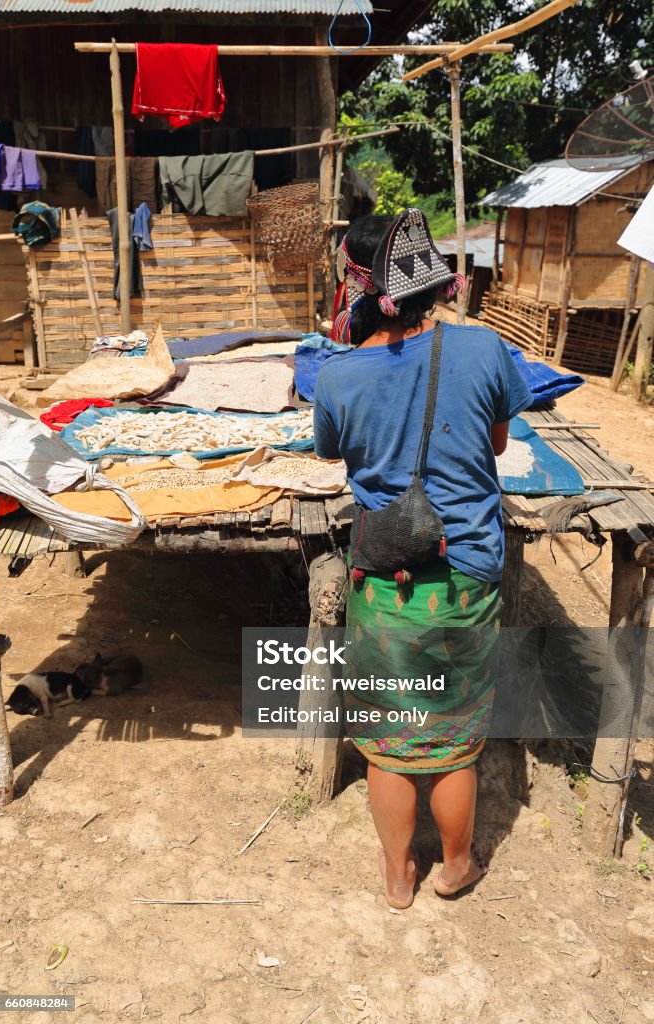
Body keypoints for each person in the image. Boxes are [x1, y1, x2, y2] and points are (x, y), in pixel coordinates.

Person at [313, 211, 533, 909]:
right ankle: (456, 866)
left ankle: (396, 874)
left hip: (386, 579)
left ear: (360, 284)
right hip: (467, 573)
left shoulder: (337, 375)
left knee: (390, 739)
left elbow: (333, 453)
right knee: (456, 736)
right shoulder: (486, 349)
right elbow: (496, 445)